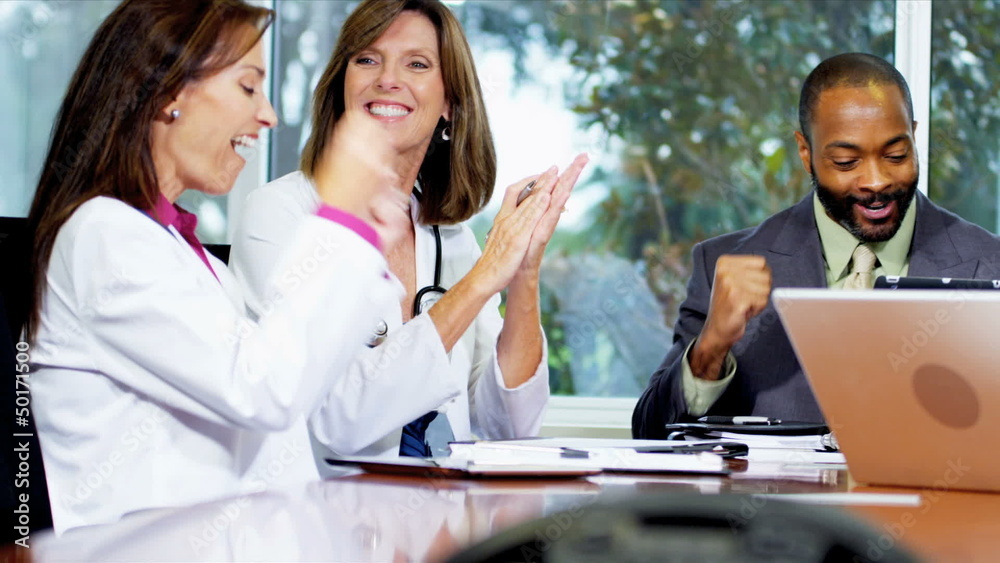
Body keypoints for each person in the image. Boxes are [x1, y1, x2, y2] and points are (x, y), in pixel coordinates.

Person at [26, 0, 413, 533]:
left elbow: (291, 388)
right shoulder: (103, 235)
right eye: (249, 86)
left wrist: (363, 239)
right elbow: (262, 390)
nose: (269, 115)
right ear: (168, 93)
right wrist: (343, 222)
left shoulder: (193, 258)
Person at [231, 0, 588, 458]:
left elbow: (510, 425)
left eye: (417, 64)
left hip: (441, 502)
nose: (387, 79)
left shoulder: (452, 239)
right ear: (341, 85)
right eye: (367, 59)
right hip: (323, 499)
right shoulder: (279, 214)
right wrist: (484, 277)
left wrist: (522, 272)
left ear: (451, 104)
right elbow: (338, 419)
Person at [632, 53, 1000, 439]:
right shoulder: (722, 266)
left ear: (914, 136)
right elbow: (650, 433)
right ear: (806, 153)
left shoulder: (990, 264)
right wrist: (710, 348)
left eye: (896, 155)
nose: (876, 181)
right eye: (846, 162)